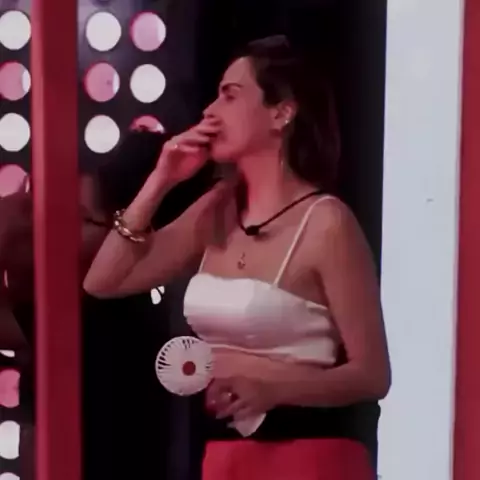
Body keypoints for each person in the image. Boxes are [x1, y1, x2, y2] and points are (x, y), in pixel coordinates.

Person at [84, 35, 390, 480]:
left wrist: (273, 390)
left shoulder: (327, 222)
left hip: (309, 455)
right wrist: (161, 180)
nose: (210, 111)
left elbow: (372, 374)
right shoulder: (217, 209)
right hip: (227, 454)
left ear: (281, 113)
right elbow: (102, 282)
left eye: (230, 95)